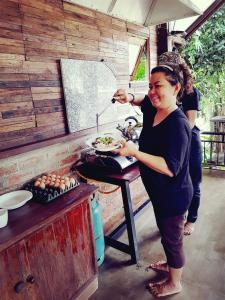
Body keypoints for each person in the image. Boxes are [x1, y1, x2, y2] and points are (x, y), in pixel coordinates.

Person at [113, 64, 193, 297]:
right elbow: (142, 100)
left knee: (173, 240)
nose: (152, 91)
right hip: (160, 193)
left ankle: (174, 282)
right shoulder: (154, 107)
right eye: (150, 86)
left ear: (176, 88)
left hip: (173, 196)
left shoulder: (177, 124)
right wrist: (128, 96)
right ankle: (170, 265)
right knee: (168, 234)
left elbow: (170, 167)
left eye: (158, 86)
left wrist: (134, 152)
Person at [158, 51, 202, 235]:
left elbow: (189, 122)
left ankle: (191, 219)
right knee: (177, 182)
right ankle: (179, 216)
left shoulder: (190, 92)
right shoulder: (165, 88)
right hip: (173, 142)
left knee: (193, 182)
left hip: (190, 142)